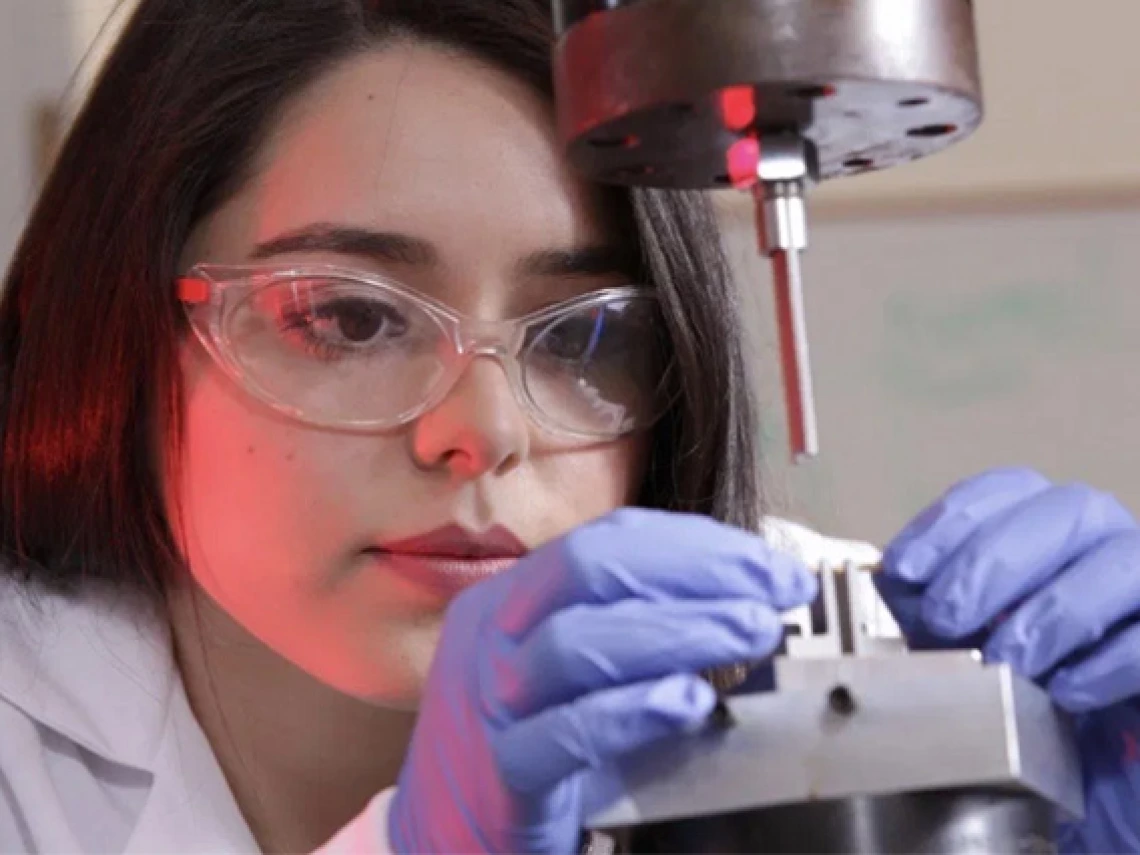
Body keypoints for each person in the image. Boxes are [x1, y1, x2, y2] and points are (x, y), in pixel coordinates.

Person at [0, 0, 1137, 852]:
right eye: (347, 317)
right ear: (127, 327)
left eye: (580, 338)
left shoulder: (867, 679)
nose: (482, 434)